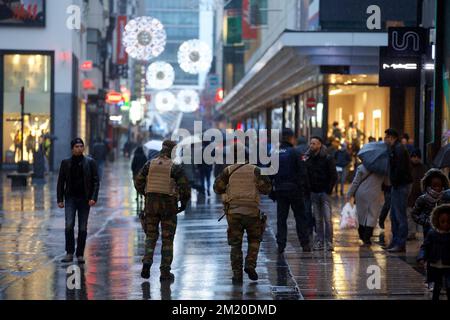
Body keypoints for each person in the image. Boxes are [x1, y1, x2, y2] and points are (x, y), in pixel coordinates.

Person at [213, 143, 272, 284]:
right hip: (252, 212)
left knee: (235, 244)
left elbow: (217, 188)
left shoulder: (228, 170)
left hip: (233, 212)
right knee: (254, 240)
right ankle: (250, 265)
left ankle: (237, 275)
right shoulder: (256, 170)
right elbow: (267, 189)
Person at [134, 140, 191, 281]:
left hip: (151, 206)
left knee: (151, 236)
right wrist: (183, 204)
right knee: (167, 240)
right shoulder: (175, 167)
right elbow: (185, 188)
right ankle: (165, 273)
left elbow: (138, 182)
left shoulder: (150, 164)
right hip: (168, 207)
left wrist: (146, 194)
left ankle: (147, 261)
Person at [57, 138, 100, 264]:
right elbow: (61, 182)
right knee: (69, 225)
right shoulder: (65, 163)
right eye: (76, 146)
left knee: (82, 227)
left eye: (81, 146)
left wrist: (93, 197)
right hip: (70, 198)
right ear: (72, 149)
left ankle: (80, 254)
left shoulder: (90, 162)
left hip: (84, 199)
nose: (79, 148)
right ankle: (69, 252)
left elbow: (96, 181)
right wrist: (60, 199)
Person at [271, 128, 311, 254]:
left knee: (281, 218)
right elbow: (302, 172)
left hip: (280, 190)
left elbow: (269, 173)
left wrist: (271, 190)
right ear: (291, 138)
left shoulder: (275, 153)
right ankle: (304, 243)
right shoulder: (295, 152)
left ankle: (281, 245)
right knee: (300, 217)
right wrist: (304, 189)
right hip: (294, 190)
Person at [305, 136, 338, 251]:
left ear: (320, 145)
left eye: (314, 143)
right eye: (311, 143)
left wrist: (328, 189)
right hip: (314, 192)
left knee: (327, 218)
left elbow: (334, 175)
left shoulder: (327, 158)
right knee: (318, 219)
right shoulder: (308, 158)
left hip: (324, 192)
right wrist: (309, 188)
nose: (311, 146)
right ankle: (319, 241)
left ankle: (329, 242)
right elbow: (306, 174)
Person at [384, 128, 413, 253]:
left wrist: (394, 181)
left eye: (387, 137)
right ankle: (395, 241)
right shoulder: (395, 148)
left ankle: (400, 243)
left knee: (399, 215)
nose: (385, 140)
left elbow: (400, 169)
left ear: (392, 137)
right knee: (394, 215)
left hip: (401, 185)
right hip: (397, 185)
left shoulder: (399, 149)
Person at [347, 163, 387, 245]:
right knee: (372, 215)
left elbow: (355, 182)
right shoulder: (382, 169)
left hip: (361, 194)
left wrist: (349, 194)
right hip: (375, 194)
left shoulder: (361, 167)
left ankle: (362, 234)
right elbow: (387, 183)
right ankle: (367, 237)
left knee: (361, 215)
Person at [417, 204, 450, 301]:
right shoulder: (432, 233)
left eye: (448, 222)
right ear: (437, 221)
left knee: (449, 286)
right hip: (435, 265)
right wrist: (421, 257)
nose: (445, 224)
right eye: (442, 222)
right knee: (437, 287)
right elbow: (425, 247)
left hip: (448, 265)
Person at [407, 149, 427, 240]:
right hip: (410, 195)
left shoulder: (423, 168)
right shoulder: (408, 168)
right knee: (410, 214)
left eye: (417, 157)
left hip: (420, 195)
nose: (415, 158)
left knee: (419, 214)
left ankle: (417, 232)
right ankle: (411, 233)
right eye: (413, 156)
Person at [131, 146, 148, 212]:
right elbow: (146, 164)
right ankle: (142, 195)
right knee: (142, 184)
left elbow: (133, 165)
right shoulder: (144, 156)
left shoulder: (135, 156)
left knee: (136, 184)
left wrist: (133, 171)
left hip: (136, 173)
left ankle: (137, 196)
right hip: (142, 173)